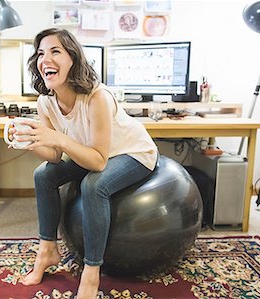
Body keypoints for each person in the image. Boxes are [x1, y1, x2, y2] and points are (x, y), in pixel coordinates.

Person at [14, 28, 158, 299]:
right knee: (42, 175)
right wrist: (32, 141)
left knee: (94, 185)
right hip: (93, 153)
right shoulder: (46, 101)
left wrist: (56, 137)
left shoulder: (96, 97)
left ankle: (91, 273)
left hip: (133, 152)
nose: (46, 59)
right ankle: (47, 250)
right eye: (41, 53)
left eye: (56, 51)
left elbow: (99, 162)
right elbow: (55, 156)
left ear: (73, 59)